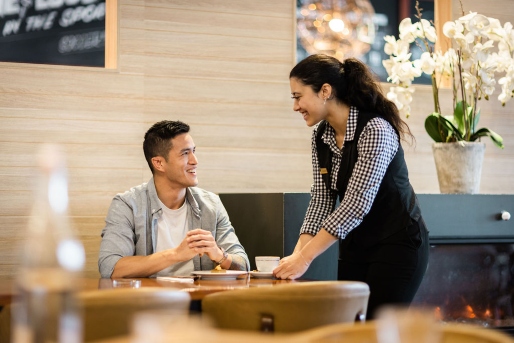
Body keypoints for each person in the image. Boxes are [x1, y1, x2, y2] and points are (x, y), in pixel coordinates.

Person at [273, 54, 429, 319]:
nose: (295, 106)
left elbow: (356, 205)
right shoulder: (320, 136)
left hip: (398, 244)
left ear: (325, 91)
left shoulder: (375, 130)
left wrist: (305, 259)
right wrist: (296, 256)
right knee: (350, 328)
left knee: (378, 331)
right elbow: (321, 199)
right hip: (356, 246)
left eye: (298, 96)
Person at [98, 120, 249, 278]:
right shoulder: (127, 204)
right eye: (185, 153)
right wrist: (175, 254)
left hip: (199, 300)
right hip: (149, 300)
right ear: (159, 163)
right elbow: (110, 268)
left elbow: (244, 265)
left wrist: (219, 255)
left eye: (194, 151)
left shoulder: (211, 204)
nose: (194, 161)